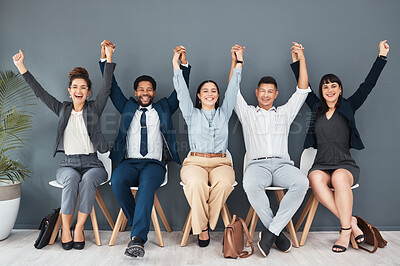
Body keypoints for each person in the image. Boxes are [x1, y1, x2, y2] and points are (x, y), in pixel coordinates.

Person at [12, 46, 116, 250]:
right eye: (75, 87)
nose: (79, 91)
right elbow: (39, 92)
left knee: (87, 180)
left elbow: (107, 86)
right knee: (71, 178)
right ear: (70, 91)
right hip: (68, 164)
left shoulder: (94, 108)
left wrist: (109, 58)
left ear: (88, 92)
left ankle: (79, 227)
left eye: (83, 88)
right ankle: (66, 228)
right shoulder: (61, 109)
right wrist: (21, 66)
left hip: (93, 164)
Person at [290, 40, 389, 252]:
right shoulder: (316, 107)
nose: (329, 90)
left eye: (333, 86)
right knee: (314, 178)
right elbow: (303, 86)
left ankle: (344, 232)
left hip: (345, 164)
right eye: (325, 86)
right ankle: (352, 222)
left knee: (339, 177)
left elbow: (368, 84)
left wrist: (381, 57)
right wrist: (299, 61)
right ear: (321, 91)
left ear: (340, 89)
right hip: (321, 164)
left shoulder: (349, 106)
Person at [99, 41, 190, 258]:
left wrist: (182, 65)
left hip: (154, 164)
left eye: (149, 89)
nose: (145, 92)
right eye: (141, 89)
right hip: (129, 162)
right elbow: (111, 87)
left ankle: (137, 239)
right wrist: (106, 59)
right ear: (136, 91)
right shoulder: (127, 105)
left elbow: (181, 91)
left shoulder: (164, 107)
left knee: (147, 186)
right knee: (117, 181)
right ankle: (138, 222)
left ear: (154, 92)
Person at [231, 43, 310, 257]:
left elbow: (302, 90)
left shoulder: (284, 113)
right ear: (257, 93)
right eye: (262, 91)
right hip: (257, 164)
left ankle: (271, 233)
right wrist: (236, 61)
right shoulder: (247, 113)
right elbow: (232, 90)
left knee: (302, 182)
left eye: (270, 92)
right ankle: (277, 235)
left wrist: (301, 59)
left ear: (276, 94)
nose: (266, 95)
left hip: (283, 164)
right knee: (250, 184)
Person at [172, 45, 243, 248]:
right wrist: (176, 64)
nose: (210, 94)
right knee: (195, 185)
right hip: (195, 161)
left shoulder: (224, 112)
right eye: (205, 91)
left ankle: (203, 225)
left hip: (221, 162)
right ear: (199, 96)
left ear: (218, 96)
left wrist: (238, 62)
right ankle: (203, 229)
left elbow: (234, 88)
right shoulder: (191, 113)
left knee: (225, 184)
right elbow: (181, 92)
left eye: (213, 91)